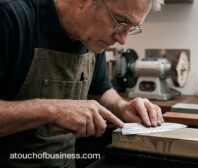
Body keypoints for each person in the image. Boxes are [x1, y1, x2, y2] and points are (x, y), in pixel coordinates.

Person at [0, 0, 164, 167]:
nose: (122, 39)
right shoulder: (11, 17)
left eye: (132, 28)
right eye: (120, 22)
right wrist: (54, 110)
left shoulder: (91, 37)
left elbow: (101, 91)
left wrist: (123, 107)